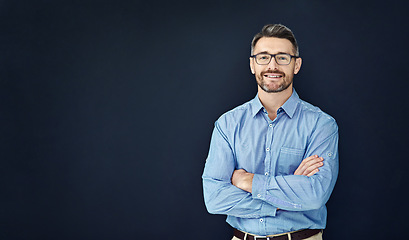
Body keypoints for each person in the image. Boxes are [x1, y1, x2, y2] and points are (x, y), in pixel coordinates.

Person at [202, 24, 339, 240]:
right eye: (263, 57)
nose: (272, 65)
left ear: (296, 65)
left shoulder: (321, 125)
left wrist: (248, 181)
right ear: (252, 65)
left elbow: (314, 196)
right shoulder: (227, 124)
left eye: (283, 57)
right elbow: (215, 198)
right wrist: (288, 196)